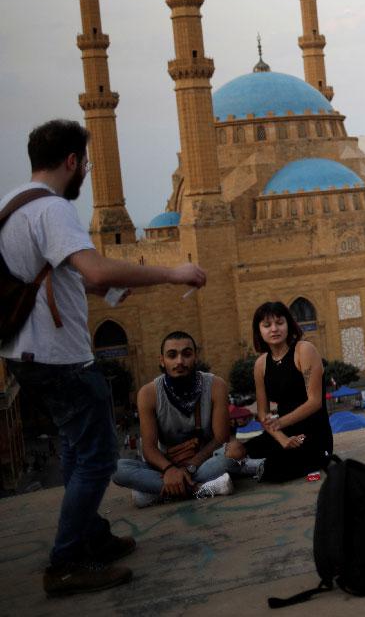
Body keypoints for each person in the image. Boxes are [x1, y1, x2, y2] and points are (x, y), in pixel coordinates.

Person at [0, 120, 205, 596]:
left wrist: (111, 287)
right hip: (58, 357)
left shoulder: (14, 205)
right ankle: (67, 560)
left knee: (75, 448)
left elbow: (75, 274)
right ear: (71, 161)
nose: (88, 171)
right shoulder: (52, 209)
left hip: (26, 353)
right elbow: (92, 264)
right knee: (98, 458)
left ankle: (90, 536)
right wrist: (173, 272)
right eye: (85, 163)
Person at [112, 332, 260, 507]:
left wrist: (190, 466)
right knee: (116, 469)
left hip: (204, 461)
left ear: (195, 357)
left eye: (186, 354)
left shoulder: (215, 385)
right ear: (162, 360)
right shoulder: (148, 394)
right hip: (167, 464)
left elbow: (221, 438)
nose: (180, 361)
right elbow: (149, 449)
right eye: (172, 355)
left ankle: (160, 493)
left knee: (233, 453)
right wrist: (170, 469)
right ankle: (201, 488)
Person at [236, 302, 333, 482]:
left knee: (276, 469)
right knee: (235, 451)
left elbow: (314, 402)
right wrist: (281, 438)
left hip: (311, 434)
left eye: (279, 323)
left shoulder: (303, 350)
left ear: (289, 325)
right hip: (281, 433)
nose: (274, 329)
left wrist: (280, 423)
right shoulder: (261, 364)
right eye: (267, 325)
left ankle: (254, 468)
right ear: (259, 331)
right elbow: (263, 413)